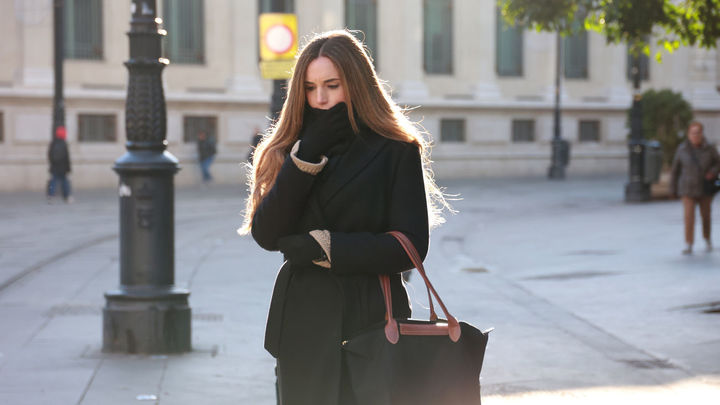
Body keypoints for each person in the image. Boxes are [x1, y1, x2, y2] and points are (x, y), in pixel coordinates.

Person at [239, 30, 449, 405]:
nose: (320, 98)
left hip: (371, 317)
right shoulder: (289, 147)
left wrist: (325, 247)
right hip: (303, 322)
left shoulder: (396, 149)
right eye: (310, 87)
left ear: (355, 84)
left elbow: (411, 245)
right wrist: (305, 159)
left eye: (332, 85)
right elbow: (267, 234)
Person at [670, 121, 720, 254]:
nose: (695, 135)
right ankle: (689, 243)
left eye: (697, 132)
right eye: (692, 133)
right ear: (688, 134)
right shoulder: (682, 149)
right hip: (687, 188)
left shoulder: (709, 148)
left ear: (702, 133)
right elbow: (675, 170)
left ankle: (707, 238)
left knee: (706, 216)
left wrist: (713, 172)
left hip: (705, 188)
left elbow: (718, 163)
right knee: (688, 217)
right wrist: (673, 189)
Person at [47, 126, 73, 203]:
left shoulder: (53, 143)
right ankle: (67, 196)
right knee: (65, 182)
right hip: (63, 167)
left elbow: (50, 154)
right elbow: (66, 157)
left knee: (53, 181)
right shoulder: (64, 143)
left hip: (55, 166)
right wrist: (68, 168)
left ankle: (50, 195)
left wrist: (52, 163)